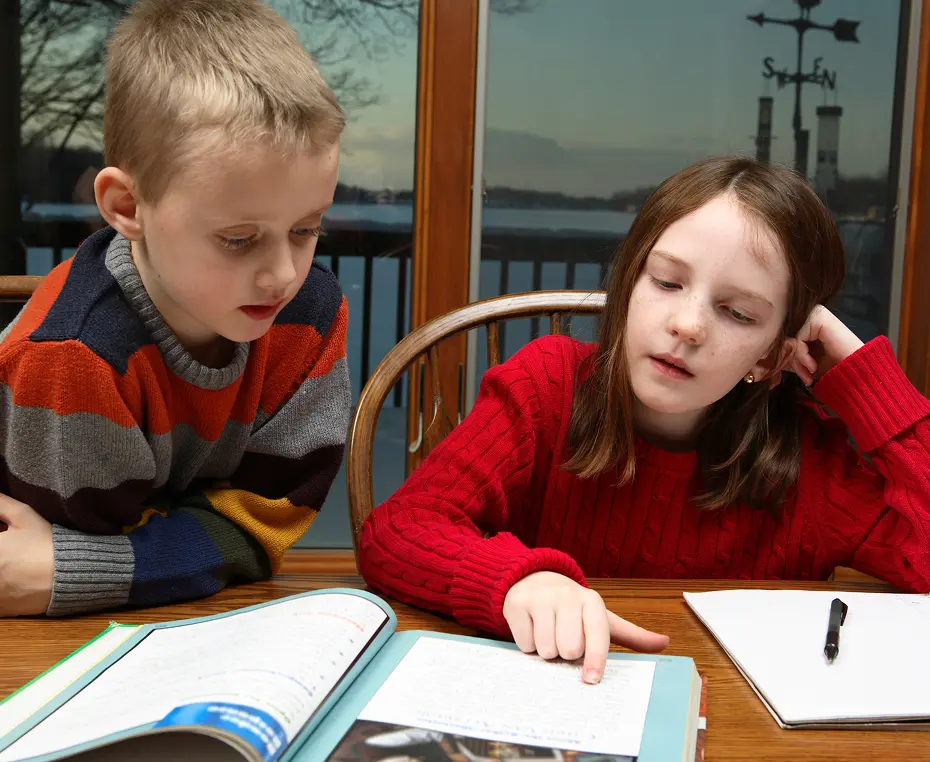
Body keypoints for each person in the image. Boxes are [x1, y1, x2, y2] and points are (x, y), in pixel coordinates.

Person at [358, 155, 930, 685]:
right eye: (665, 282)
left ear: (771, 355)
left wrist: (866, 382)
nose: (687, 324)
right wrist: (516, 579)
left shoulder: (812, 462)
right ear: (629, 282)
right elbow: (399, 530)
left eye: (736, 312)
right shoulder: (546, 388)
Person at [0, 0, 349, 617]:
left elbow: (265, 525)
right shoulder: (72, 355)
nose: (284, 275)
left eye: (306, 228)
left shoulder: (311, 317)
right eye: (238, 239)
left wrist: (116, 561)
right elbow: (43, 571)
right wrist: (192, 539)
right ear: (128, 208)